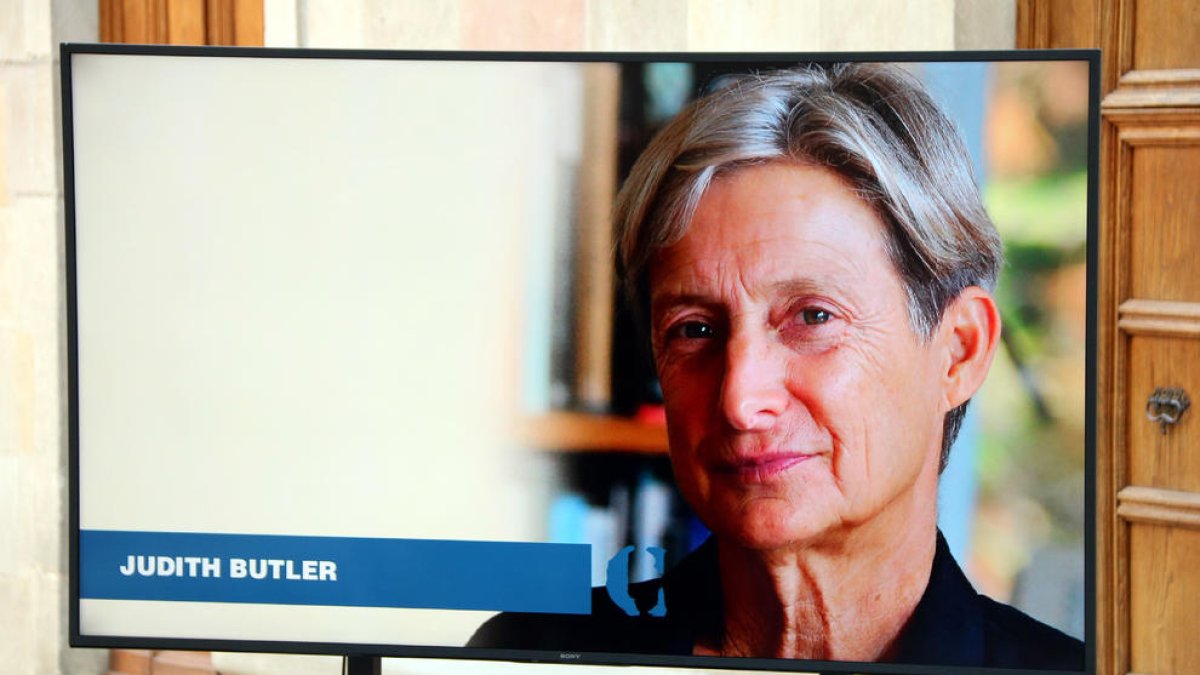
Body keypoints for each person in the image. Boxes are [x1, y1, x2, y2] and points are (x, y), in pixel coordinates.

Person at [469, 62, 1083, 671]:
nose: (740, 396)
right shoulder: (526, 656)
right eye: (695, 330)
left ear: (960, 351)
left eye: (813, 318)